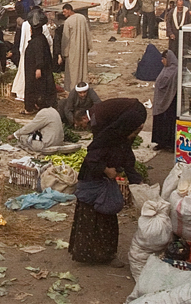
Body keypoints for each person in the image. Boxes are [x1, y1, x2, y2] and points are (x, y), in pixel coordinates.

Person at [69, 98, 145, 266]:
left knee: (107, 221)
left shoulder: (123, 144)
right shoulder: (105, 141)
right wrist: (106, 170)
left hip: (103, 186)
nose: (135, 134)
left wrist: (137, 183)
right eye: (134, 132)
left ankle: (107, 255)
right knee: (91, 220)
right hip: (92, 182)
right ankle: (88, 255)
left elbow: (129, 164)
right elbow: (91, 159)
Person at [23, 18, 57, 114]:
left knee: (35, 88)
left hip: (36, 69)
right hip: (33, 68)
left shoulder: (38, 41)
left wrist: (38, 68)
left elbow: (39, 55)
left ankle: (33, 107)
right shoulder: (39, 39)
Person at [151, 50, 180, 152]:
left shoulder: (175, 71)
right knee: (160, 122)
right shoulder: (165, 69)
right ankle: (160, 142)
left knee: (169, 123)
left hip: (170, 101)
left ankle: (170, 144)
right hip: (160, 101)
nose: (162, 61)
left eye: (163, 59)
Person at [61, 3, 91, 95]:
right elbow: (88, 33)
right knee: (82, 68)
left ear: (69, 10)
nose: (63, 13)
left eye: (64, 11)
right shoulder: (82, 18)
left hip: (72, 49)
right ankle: (83, 85)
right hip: (82, 47)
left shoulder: (68, 22)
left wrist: (64, 52)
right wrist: (88, 46)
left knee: (72, 70)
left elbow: (65, 39)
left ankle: (73, 88)